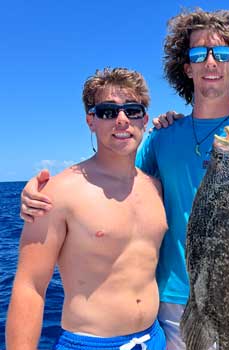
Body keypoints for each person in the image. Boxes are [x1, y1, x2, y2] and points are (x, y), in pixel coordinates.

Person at [18, 9, 229, 350]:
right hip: (170, 304)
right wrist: (44, 193)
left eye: (221, 53)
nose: (210, 62)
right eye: (198, 54)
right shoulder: (162, 136)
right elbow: (122, 185)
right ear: (186, 68)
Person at [7, 68, 167, 350]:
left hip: (155, 338)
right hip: (90, 344)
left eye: (131, 110)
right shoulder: (58, 192)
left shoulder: (157, 187)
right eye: (107, 112)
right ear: (90, 120)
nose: (121, 120)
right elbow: (29, 287)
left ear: (144, 118)